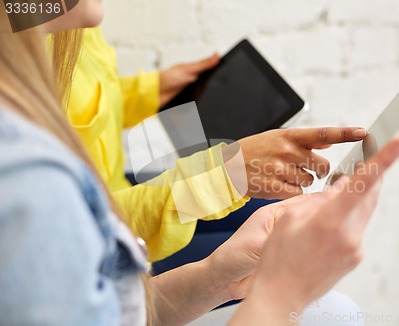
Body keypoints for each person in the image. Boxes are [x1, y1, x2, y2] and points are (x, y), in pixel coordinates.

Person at [0, 2, 399, 325]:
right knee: (330, 307)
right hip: (115, 215)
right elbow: (90, 228)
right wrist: (280, 292)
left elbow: (86, 94)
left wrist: (152, 90)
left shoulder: (53, 27)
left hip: (111, 190)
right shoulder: (32, 182)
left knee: (268, 211)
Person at [67, 25, 369, 262]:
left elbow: (85, 101)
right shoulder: (27, 66)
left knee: (275, 206)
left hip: (113, 188)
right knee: (284, 252)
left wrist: (153, 90)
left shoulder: (72, 21)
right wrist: (219, 176)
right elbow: (74, 233)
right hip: (104, 236)